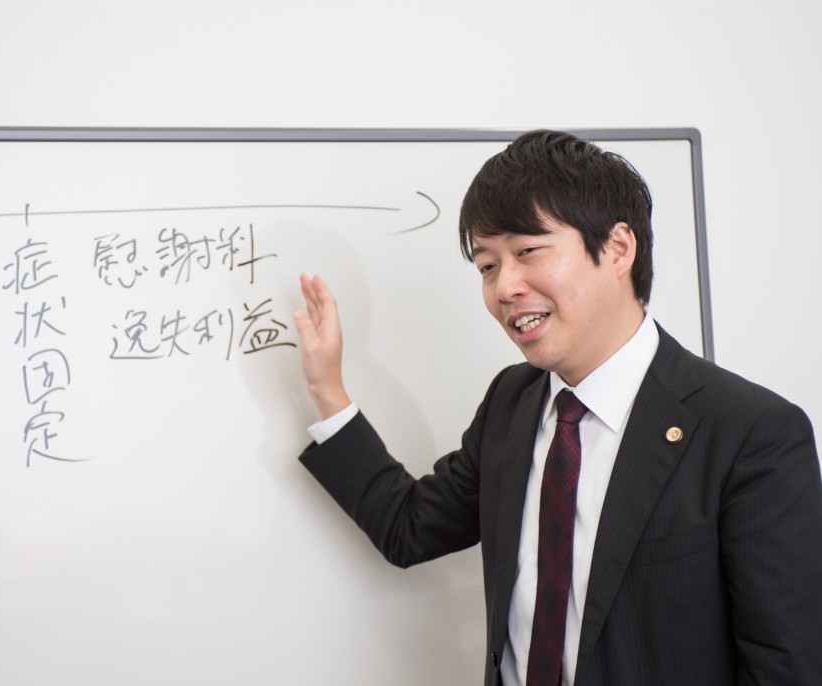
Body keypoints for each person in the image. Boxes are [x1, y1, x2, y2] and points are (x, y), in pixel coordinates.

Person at [291, 130, 822, 686]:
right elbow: (409, 528)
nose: (504, 288)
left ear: (617, 248)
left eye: (527, 251)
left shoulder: (750, 433)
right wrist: (328, 390)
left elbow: (784, 667)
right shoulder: (511, 403)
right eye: (487, 266)